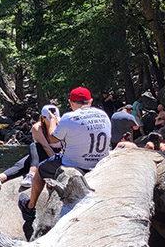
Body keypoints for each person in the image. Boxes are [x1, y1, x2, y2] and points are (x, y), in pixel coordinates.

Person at [18, 87, 111, 224]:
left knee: (41, 169)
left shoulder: (69, 117)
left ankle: (30, 207)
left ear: (71, 102)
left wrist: (53, 121)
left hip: (76, 164)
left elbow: (53, 138)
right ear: (90, 101)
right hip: (100, 162)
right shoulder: (103, 115)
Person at [0, 105, 61, 190]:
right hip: (43, 154)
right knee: (32, 150)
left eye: (55, 119)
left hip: (58, 155)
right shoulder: (37, 127)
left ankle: (31, 174)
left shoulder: (62, 126)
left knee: (31, 153)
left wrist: (56, 163)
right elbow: (45, 147)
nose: (53, 121)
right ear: (43, 118)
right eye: (50, 119)